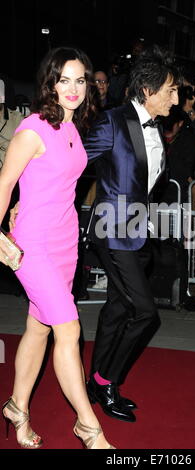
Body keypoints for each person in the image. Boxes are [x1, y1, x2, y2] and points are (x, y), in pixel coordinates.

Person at [0, 47, 114, 449]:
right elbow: (4, 183)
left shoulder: (71, 127)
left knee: (38, 326)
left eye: (80, 79)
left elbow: (47, 183)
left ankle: (17, 407)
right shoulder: (32, 128)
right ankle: (89, 428)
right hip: (34, 245)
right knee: (69, 329)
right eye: (64, 79)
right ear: (49, 82)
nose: (73, 88)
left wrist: (20, 203)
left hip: (65, 241)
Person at [84, 45, 181, 423]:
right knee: (144, 312)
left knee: (117, 308)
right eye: (170, 90)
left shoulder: (159, 128)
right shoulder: (112, 122)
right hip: (112, 232)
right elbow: (74, 162)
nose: (176, 98)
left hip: (141, 234)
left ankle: (94, 381)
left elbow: (147, 182)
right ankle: (107, 381)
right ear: (148, 91)